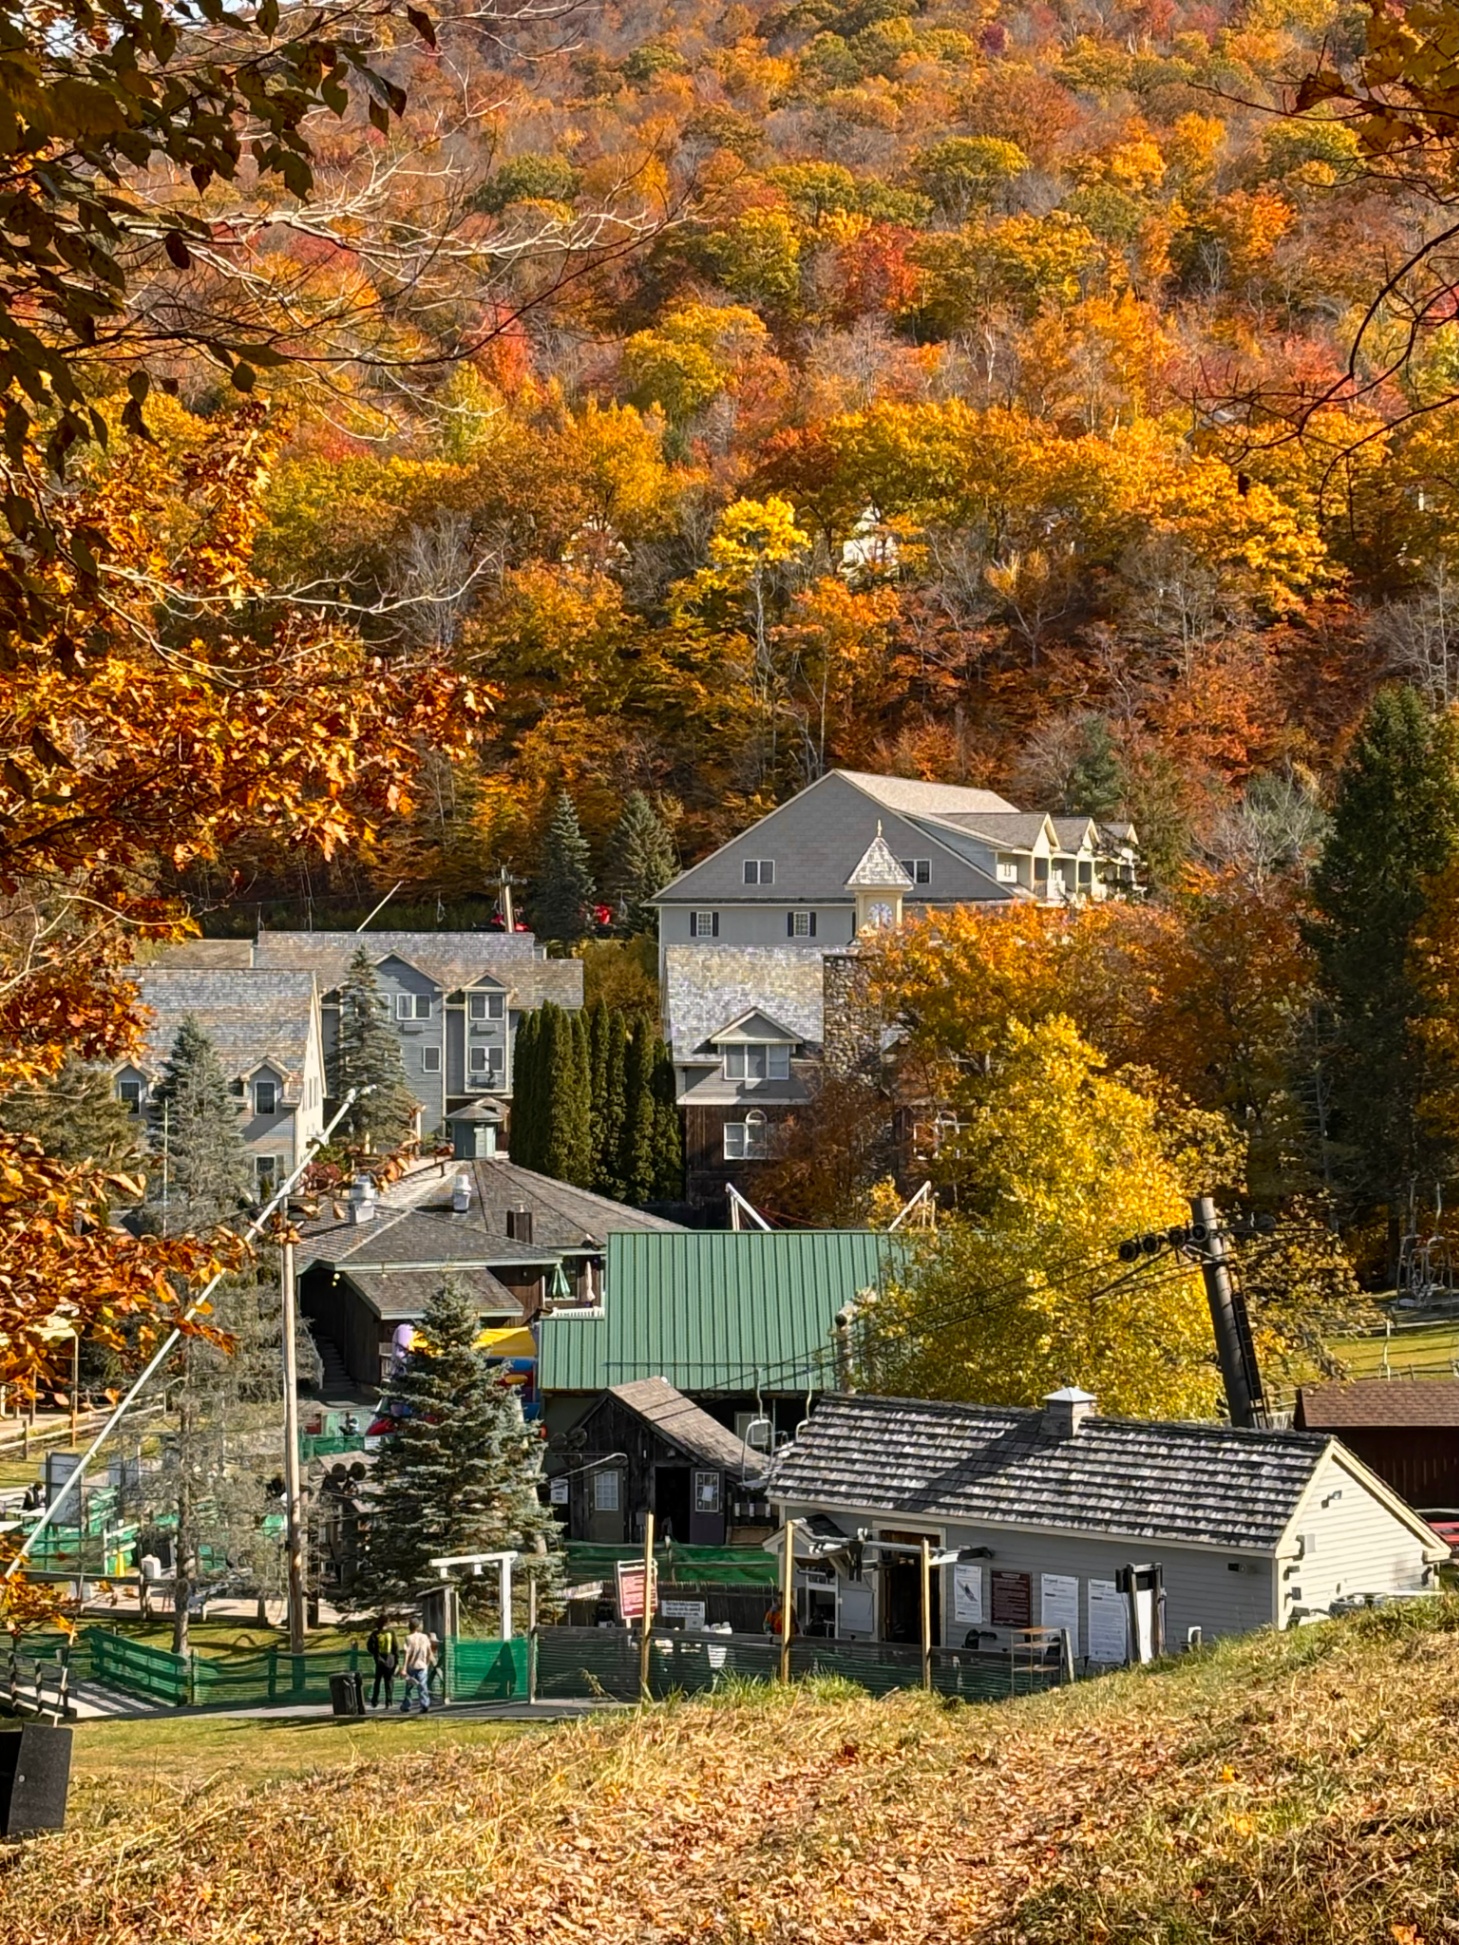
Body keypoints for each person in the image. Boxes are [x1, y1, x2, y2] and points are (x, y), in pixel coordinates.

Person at [399, 1621, 435, 1714]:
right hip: (422, 1665)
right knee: (423, 1686)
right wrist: (427, 1663)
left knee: (409, 1687)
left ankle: (407, 1705)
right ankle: (424, 1704)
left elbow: (407, 1653)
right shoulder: (424, 1637)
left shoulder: (408, 1638)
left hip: (411, 1665)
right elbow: (428, 1651)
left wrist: (404, 1667)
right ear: (418, 1627)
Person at [366, 1618, 399, 1709]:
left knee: (379, 1681)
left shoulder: (376, 1633)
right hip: (389, 1660)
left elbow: (369, 1646)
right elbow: (395, 1647)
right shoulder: (390, 1632)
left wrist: (376, 1655)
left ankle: (377, 1700)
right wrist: (396, 1660)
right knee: (387, 1682)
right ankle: (387, 1701)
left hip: (381, 1660)